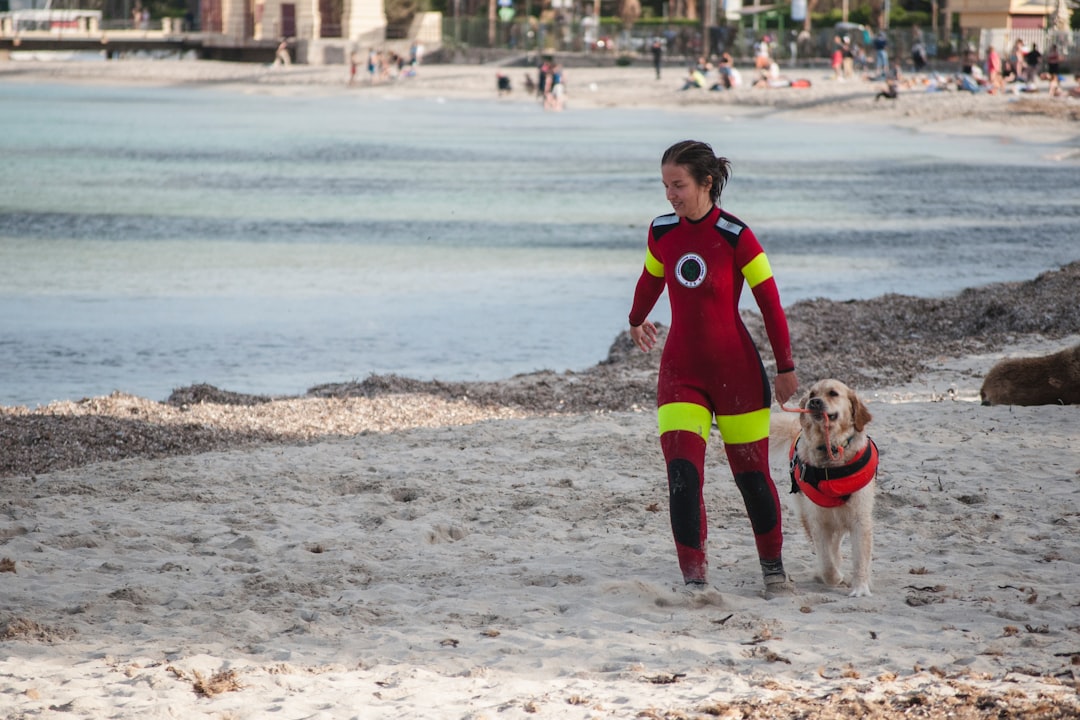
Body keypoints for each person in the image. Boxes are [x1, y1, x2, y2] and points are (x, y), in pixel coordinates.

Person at [627, 140, 799, 595]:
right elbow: (651, 278)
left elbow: (770, 303)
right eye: (665, 185)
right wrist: (635, 319)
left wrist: (785, 367)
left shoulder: (736, 235)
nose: (670, 195)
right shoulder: (661, 231)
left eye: (678, 185)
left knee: (752, 476)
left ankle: (773, 569)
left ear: (706, 183)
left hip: (737, 374)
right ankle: (695, 577)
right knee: (682, 474)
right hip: (680, 373)